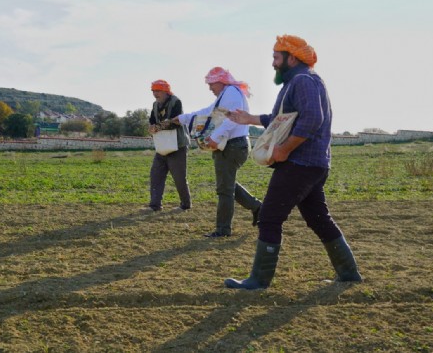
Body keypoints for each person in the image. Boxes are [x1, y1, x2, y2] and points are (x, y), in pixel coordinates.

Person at [224, 35, 362, 289]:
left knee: (269, 217)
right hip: (313, 164)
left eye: (277, 57)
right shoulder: (297, 82)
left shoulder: (303, 81)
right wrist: (248, 119)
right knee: (319, 219)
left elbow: (312, 120)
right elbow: (280, 119)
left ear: (292, 58)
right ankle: (349, 273)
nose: (273, 63)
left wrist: (285, 149)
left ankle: (258, 280)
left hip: (300, 163)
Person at [173, 67, 261, 237]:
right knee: (226, 184)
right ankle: (257, 207)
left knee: (224, 190)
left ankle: (223, 229)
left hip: (232, 145)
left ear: (221, 81)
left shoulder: (231, 93)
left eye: (211, 83)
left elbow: (232, 119)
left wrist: (215, 137)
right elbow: (208, 112)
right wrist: (183, 118)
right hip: (233, 145)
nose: (209, 87)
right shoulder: (226, 94)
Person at [147, 79, 192, 212]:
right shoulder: (155, 105)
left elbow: (176, 121)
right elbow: (152, 121)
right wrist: (151, 127)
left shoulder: (176, 101)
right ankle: (155, 205)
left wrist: (157, 127)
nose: (155, 94)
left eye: (158, 91)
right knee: (156, 174)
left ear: (166, 91)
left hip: (178, 144)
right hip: (162, 145)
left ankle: (185, 204)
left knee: (179, 177)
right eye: (153, 91)